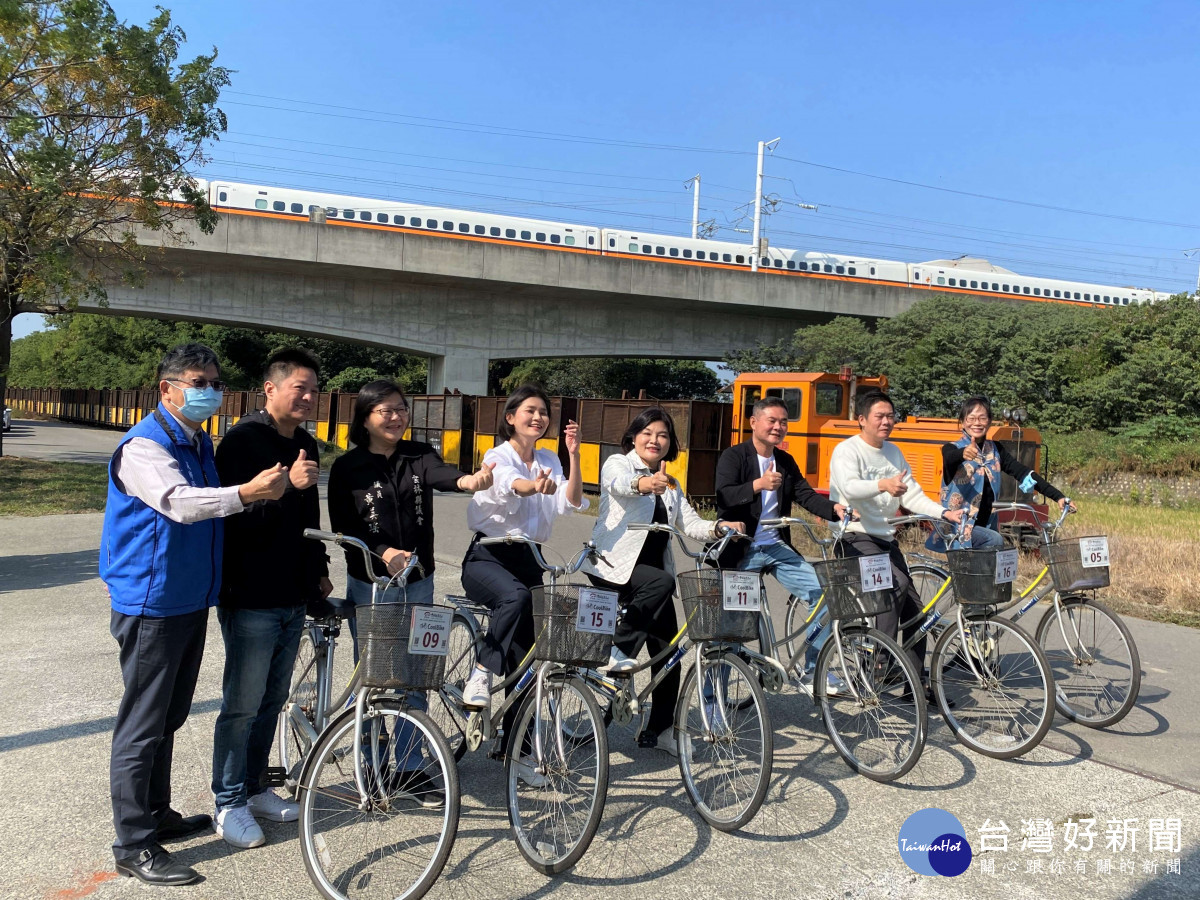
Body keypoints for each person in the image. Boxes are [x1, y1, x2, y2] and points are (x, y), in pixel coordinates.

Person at [102, 344, 288, 885]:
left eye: (214, 381)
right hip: (150, 603)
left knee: (169, 715)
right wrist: (246, 494)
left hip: (187, 599)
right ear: (167, 389)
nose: (208, 389)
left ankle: (157, 814)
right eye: (196, 381)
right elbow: (180, 504)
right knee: (141, 724)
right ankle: (134, 843)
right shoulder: (144, 446)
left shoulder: (197, 440)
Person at [326, 379, 495, 806]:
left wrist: (468, 482)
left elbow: (442, 476)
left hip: (418, 579)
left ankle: (408, 763)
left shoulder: (418, 454)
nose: (396, 417)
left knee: (416, 669)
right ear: (365, 417)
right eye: (385, 410)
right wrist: (382, 552)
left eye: (401, 409)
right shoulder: (348, 467)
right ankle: (369, 756)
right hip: (372, 584)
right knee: (375, 672)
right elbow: (346, 525)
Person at [209, 348, 332, 849]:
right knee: (241, 703)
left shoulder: (305, 441)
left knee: (273, 700)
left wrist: (319, 570)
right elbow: (229, 520)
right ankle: (227, 801)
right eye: (298, 387)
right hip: (250, 591)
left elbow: (309, 517)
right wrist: (282, 491)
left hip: (292, 592)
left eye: (313, 390)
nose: (307, 397)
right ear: (270, 388)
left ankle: (257, 788)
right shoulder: (241, 441)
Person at [582, 407, 743, 755]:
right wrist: (643, 484)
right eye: (648, 433)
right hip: (615, 567)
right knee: (662, 583)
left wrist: (718, 527)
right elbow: (617, 485)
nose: (655, 440)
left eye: (663, 435)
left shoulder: (671, 484)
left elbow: (690, 523)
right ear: (633, 437)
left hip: (653, 580)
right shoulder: (618, 464)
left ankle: (663, 730)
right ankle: (617, 650)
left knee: (668, 655)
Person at [459, 386, 586, 776]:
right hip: (489, 555)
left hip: (530, 559)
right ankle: (481, 670)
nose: (538, 417)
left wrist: (575, 455)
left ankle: (517, 750)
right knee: (513, 598)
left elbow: (572, 500)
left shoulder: (549, 457)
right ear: (511, 417)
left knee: (531, 661)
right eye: (530, 410)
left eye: (544, 412)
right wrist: (534, 486)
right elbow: (511, 484)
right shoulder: (497, 455)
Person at [827, 390, 965, 684]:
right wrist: (883, 484)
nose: (887, 421)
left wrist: (943, 513)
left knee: (918, 613)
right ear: (862, 420)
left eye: (891, 416)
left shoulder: (894, 452)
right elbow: (849, 488)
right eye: (880, 416)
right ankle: (879, 664)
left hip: (885, 540)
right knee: (895, 584)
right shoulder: (846, 451)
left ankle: (915, 683)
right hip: (853, 537)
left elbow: (912, 494)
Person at [715, 395, 850, 692]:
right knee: (732, 626)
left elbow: (805, 494)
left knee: (824, 595)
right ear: (754, 422)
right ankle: (715, 701)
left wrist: (833, 509)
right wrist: (758, 485)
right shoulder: (734, 456)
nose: (778, 427)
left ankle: (814, 669)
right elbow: (723, 495)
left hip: (776, 548)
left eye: (783, 422)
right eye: (772, 420)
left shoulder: (785, 461)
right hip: (742, 549)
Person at [933, 395, 1074, 551]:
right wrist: (963, 454)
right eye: (971, 418)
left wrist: (1058, 496)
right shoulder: (952, 448)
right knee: (994, 540)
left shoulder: (996, 450)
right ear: (963, 421)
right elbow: (949, 458)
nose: (977, 423)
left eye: (982, 418)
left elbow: (1024, 473)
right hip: (959, 526)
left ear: (990, 421)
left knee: (1001, 564)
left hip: (986, 524)